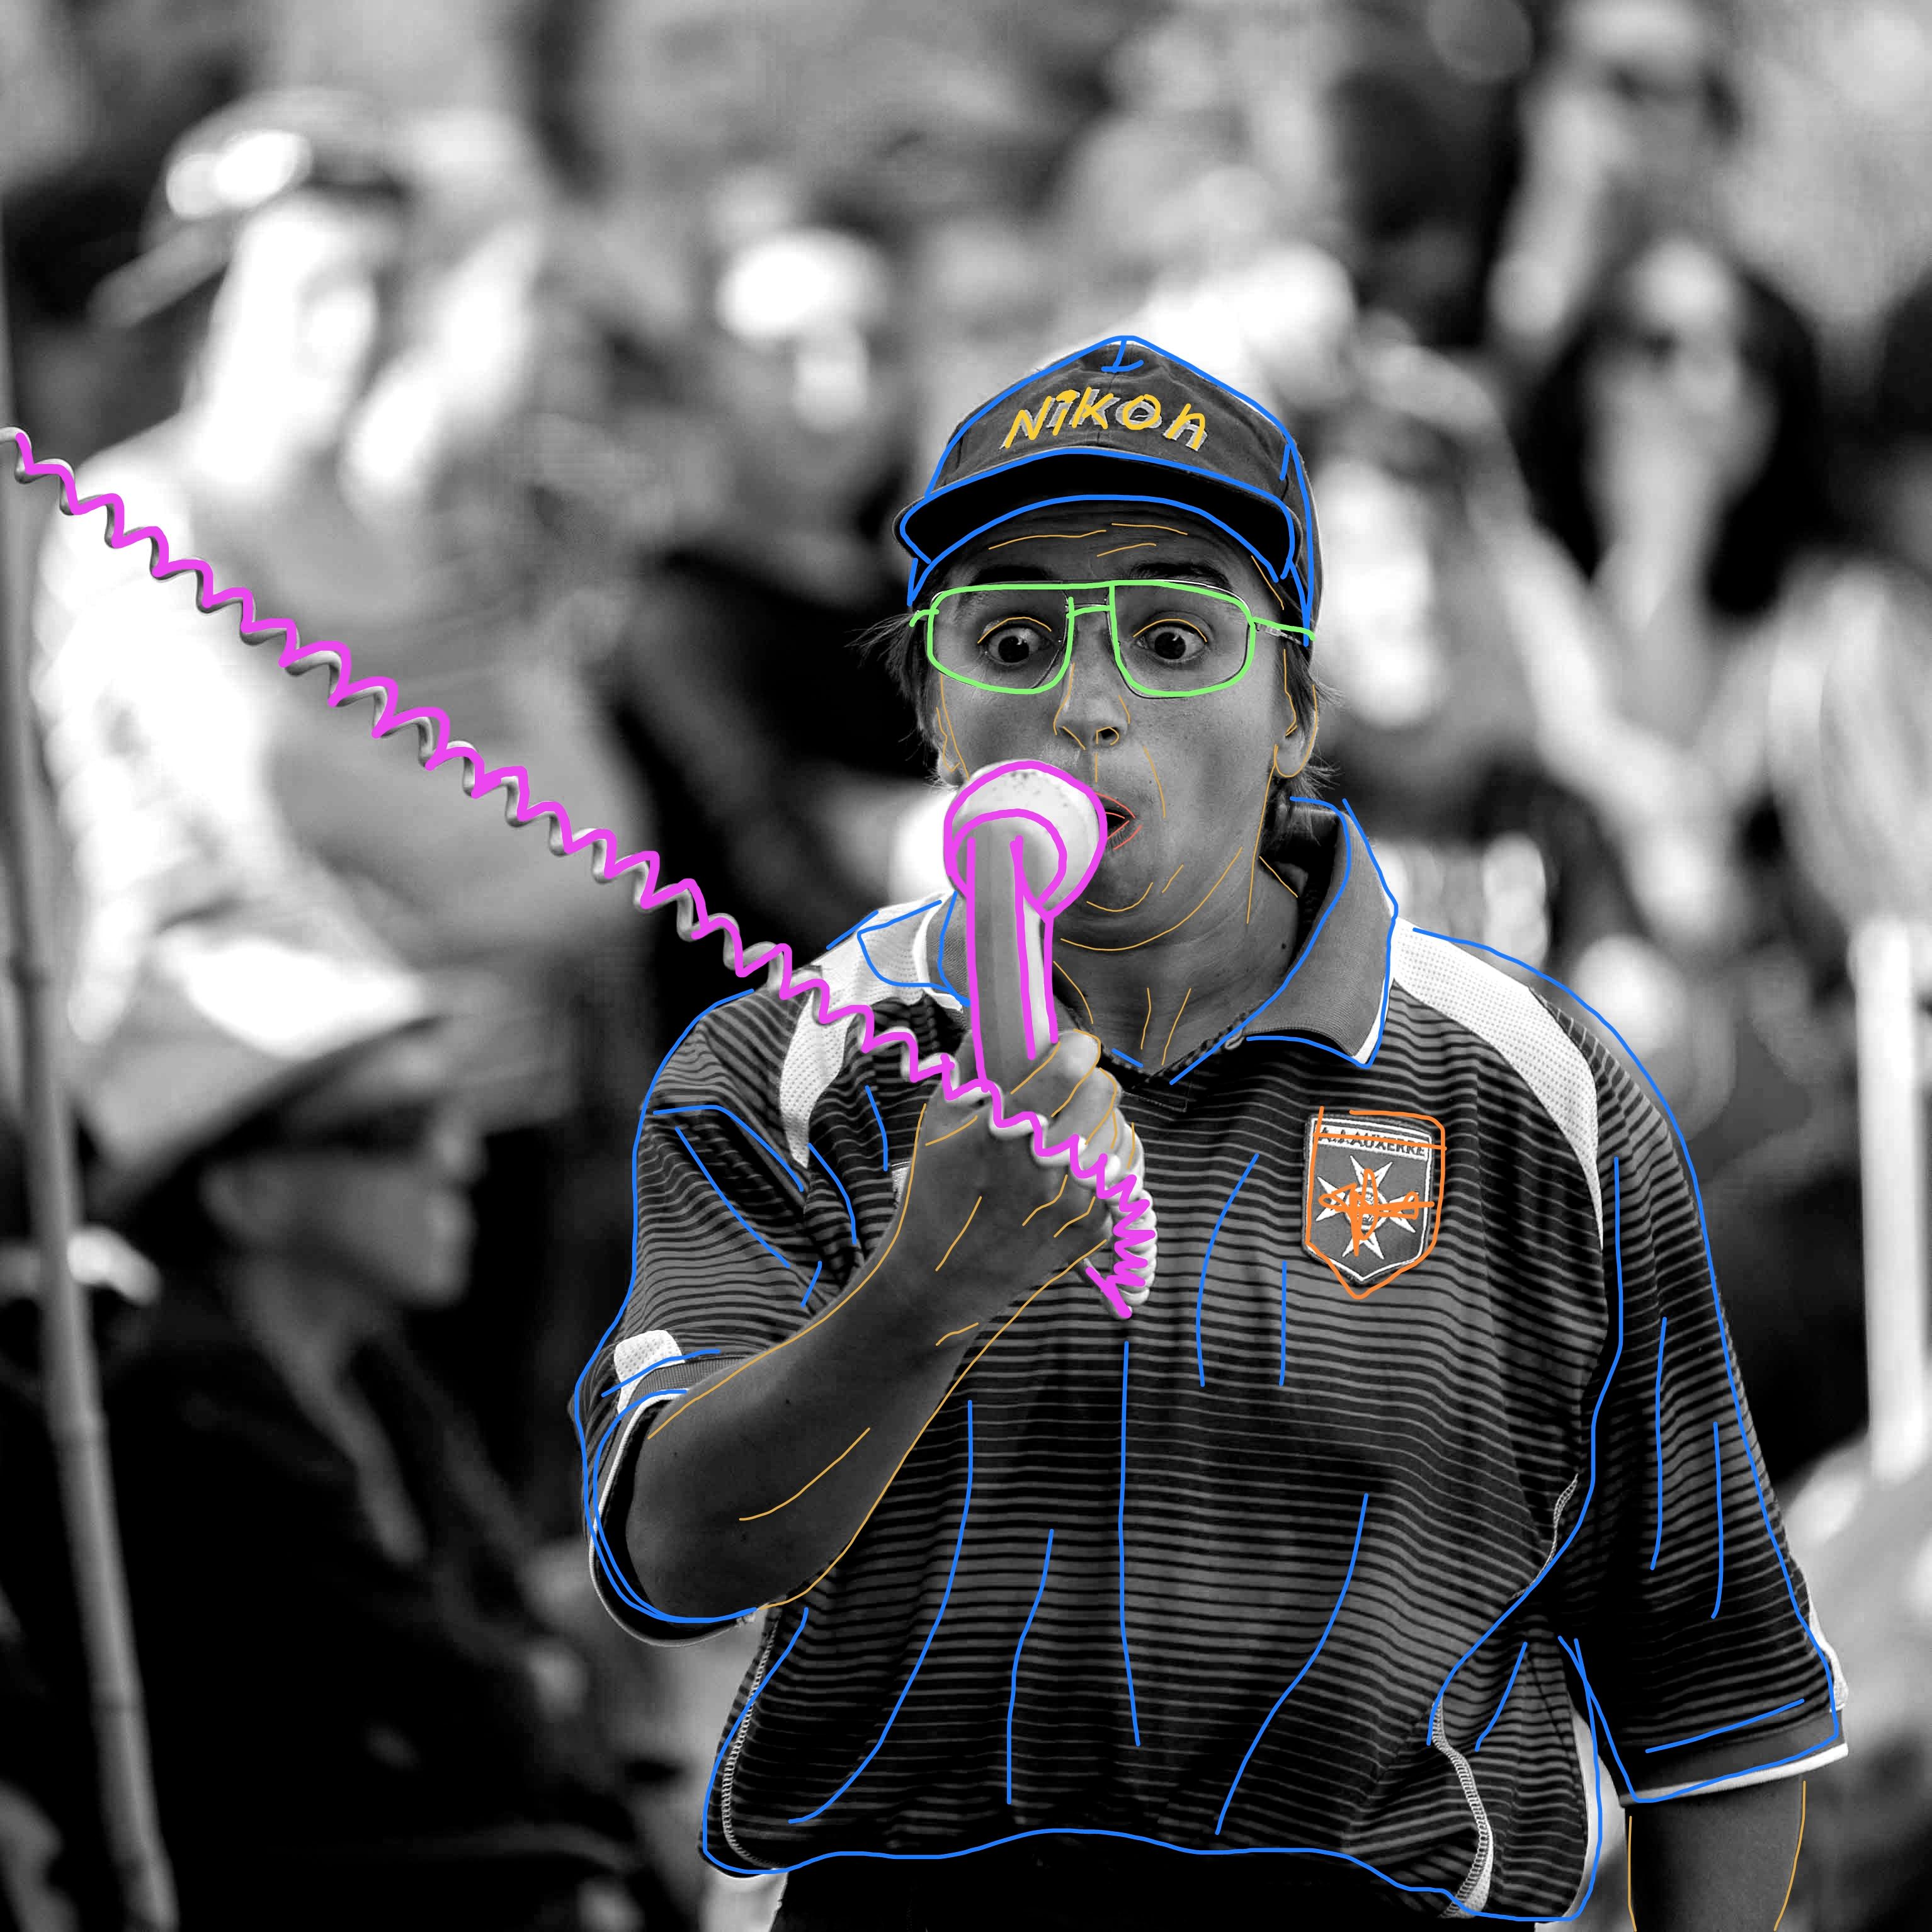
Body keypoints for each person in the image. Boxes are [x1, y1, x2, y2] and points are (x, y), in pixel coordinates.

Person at [577, 337, 1846, 1929]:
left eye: (1172, 638)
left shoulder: (1532, 1089)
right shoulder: (783, 1064)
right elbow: (677, 1557)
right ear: (935, 711)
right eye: (1013, 639)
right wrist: (920, 1297)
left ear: (1294, 711)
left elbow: (1714, 1676)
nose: (1087, 705)